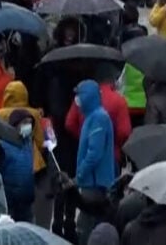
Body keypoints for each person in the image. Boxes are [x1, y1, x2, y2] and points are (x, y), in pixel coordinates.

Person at [72, 79, 116, 245]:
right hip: (92, 181)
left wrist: (80, 174)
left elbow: (94, 153)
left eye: (79, 95)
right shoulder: (92, 116)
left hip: (95, 183)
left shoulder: (98, 118)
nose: (76, 100)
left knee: (86, 227)